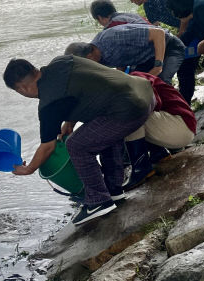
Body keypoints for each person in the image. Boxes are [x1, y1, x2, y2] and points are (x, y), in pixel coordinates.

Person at [3, 56, 153, 225]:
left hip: (130, 110)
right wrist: (70, 122)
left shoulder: (48, 104)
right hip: (145, 94)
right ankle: (113, 190)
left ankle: (98, 201)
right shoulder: (62, 62)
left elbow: (48, 146)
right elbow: (87, 88)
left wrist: (29, 168)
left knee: (75, 145)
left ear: (22, 89)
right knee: (102, 133)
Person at [64, 45, 197, 190]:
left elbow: (153, 102)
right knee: (127, 110)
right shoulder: (122, 79)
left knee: (127, 113)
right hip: (177, 125)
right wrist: (71, 121)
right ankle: (158, 153)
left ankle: (141, 168)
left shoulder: (132, 79)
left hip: (180, 126)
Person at [122, 0, 202, 103]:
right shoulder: (148, 6)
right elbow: (155, 29)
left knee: (185, 62)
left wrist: (180, 34)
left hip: (198, 18)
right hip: (187, 27)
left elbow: (186, 9)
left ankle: (184, 102)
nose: (130, 0)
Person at [64, 23, 185, 84]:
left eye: (85, 65)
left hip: (168, 46)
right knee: (134, 86)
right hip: (145, 58)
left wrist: (158, 66)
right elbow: (120, 58)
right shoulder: (98, 58)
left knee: (161, 80)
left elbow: (159, 34)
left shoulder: (113, 38)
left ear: (89, 57)